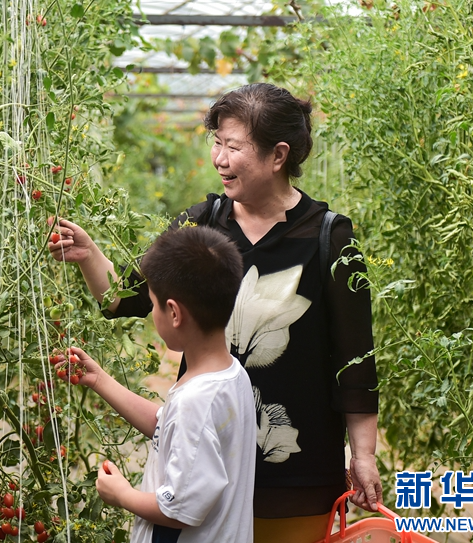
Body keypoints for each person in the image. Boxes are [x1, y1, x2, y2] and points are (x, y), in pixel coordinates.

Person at [49, 82, 381, 543]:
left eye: (233, 147)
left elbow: (355, 358)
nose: (219, 159)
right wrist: (88, 256)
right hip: (206, 461)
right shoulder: (203, 221)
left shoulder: (329, 239)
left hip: (296, 475)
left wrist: (363, 454)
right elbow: (126, 297)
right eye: (217, 143)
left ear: (278, 155)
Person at [55, 226, 256, 542]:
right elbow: (169, 426)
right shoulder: (231, 376)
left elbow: (179, 509)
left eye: (152, 304)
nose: (152, 315)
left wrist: (122, 494)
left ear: (174, 313)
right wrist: (99, 380)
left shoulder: (197, 401)